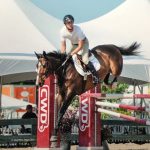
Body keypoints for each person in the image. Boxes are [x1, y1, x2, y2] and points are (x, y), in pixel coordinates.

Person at [60, 14, 99, 84]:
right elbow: (63, 45)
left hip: (84, 44)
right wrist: (63, 55)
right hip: (74, 44)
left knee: (85, 59)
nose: (71, 24)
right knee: (66, 58)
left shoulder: (78, 30)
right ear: (65, 24)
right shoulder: (62, 31)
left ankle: (95, 75)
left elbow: (80, 46)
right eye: (68, 23)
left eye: (72, 22)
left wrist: (71, 54)